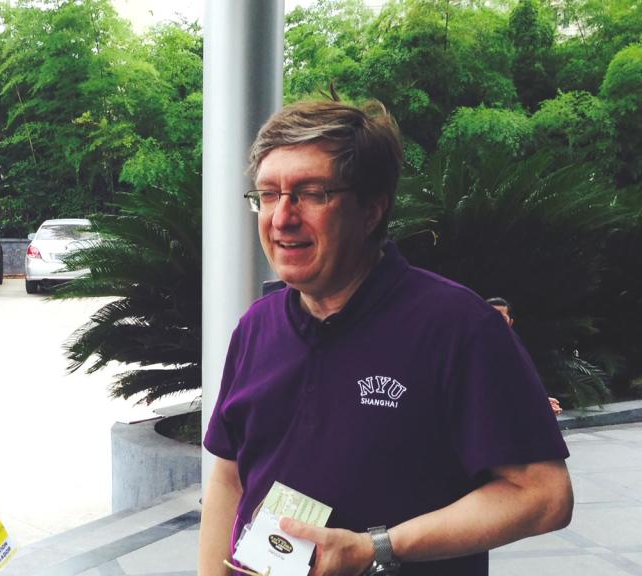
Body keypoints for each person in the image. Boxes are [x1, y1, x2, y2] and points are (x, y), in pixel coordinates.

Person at [199, 99, 573, 576]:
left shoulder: (458, 326)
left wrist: (374, 547)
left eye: (311, 193)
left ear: (371, 209)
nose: (281, 218)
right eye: (268, 194)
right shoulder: (256, 326)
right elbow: (230, 477)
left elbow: (543, 495)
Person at [486, 297, 562, 416]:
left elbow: (521, 382)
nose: (496, 322)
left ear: (510, 322)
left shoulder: (516, 348)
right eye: (491, 317)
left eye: (502, 318)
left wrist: (542, 401)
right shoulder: (473, 348)